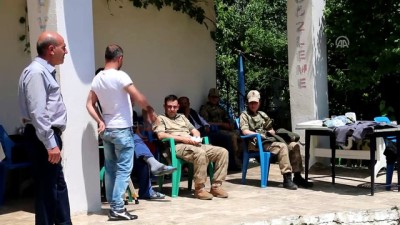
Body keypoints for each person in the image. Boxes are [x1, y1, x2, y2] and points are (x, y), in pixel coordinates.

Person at [86, 44, 157, 220]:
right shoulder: (120, 76)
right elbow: (138, 96)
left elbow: (89, 104)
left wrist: (100, 121)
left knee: (110, 168)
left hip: (107, 130)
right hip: (121, 130)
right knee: (124, 169)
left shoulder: (97, 78)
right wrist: (149, 110)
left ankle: (113, 204)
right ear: (120, 59)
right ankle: (117, 207)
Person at [18, 31, 72, 225]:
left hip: (47, 136)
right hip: (43, 138)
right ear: (51, 49)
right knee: (48, 191)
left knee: (57, 187)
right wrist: (50, 144)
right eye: (63, 47)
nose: (66, 51)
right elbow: (38, 113)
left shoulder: (44, 72)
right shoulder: (36, 73)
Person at [153, 94, 229, 200]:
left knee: (222, 152)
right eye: (169, 106)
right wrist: (183, 139)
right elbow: (161, 135)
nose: (172, 109)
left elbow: (195, 130)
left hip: (192, 144)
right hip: (177, 146)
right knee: (200, 153)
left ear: (178, 107)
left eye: (174, 107)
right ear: (164, 106)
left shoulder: (182, 117)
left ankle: (216, 186)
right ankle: (200, 189)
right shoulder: (160, 118)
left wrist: (196, 137)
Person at [239, 90, 313, 190]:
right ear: (248, 103)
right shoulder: (244, 115)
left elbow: (270, 130)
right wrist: (258, 135)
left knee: (293, 145)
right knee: (282, 146)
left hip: (268, 141)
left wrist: (278, 134)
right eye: (251, 103)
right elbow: (245, 131)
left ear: (259, 103)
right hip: (256, 144)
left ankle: (297, 176)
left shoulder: (262, 115)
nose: (253, 105)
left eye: (255, 103)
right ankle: (287, 178)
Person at [199, 88, 242, 170]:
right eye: (213, 97)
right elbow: (205, 122)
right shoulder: (205, 108)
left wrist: (230, 124)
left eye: (216, 97)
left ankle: (238, 159)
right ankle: (233, 163)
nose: (215, 99)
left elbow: (227, 118)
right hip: (214, 131)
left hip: (224, 130)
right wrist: (221, 124)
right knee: (232, 136)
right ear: (209, 97)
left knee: (242, 136)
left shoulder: (221, 108)